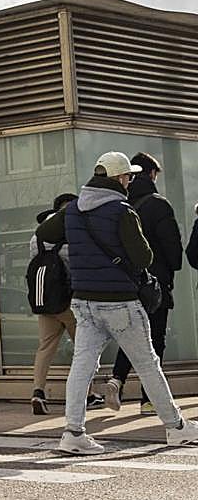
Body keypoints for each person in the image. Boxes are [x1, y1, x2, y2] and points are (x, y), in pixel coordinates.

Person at [36, 152, 198, 454]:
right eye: (127, 176)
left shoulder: (73, 210)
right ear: (117, 179)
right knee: (148, 364)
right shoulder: (121, 210)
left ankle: (73, 431)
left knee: (82, 366)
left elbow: (45, 232)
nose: (129, 181)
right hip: (120, 302)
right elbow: (143, 257)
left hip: (84, 302)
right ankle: (176, 427)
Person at [103, 152, 182, 415]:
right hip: (154, 283)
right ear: (151, 174)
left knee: (132, 336)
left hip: (127, 282)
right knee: (154, 339)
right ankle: (148, 399)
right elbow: (173, 249)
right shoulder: (158, 205)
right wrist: (170, 268)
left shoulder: (121, 205)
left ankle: (118, 379)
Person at [29, 193, 78, 415]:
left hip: (45, 301)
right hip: (69, 302)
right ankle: (84, 395)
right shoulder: (71, 234)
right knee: (84, 349)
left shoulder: (36, 237)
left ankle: (38, 392)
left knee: (45, 347)